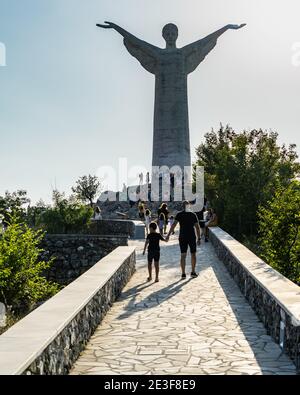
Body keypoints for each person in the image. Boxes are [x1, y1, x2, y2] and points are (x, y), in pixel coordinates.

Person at [166, 201, 201, 279]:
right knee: (193, 254)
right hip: (191, 236)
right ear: (189, 206)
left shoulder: (179, 214)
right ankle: (193, 272)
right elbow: (197, 227)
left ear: (182, 206)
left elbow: (173, 225)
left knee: (183, 255)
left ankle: (183, 274)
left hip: (182, 237)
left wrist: (168, 235)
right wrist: (199, 238)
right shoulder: (193, 215)